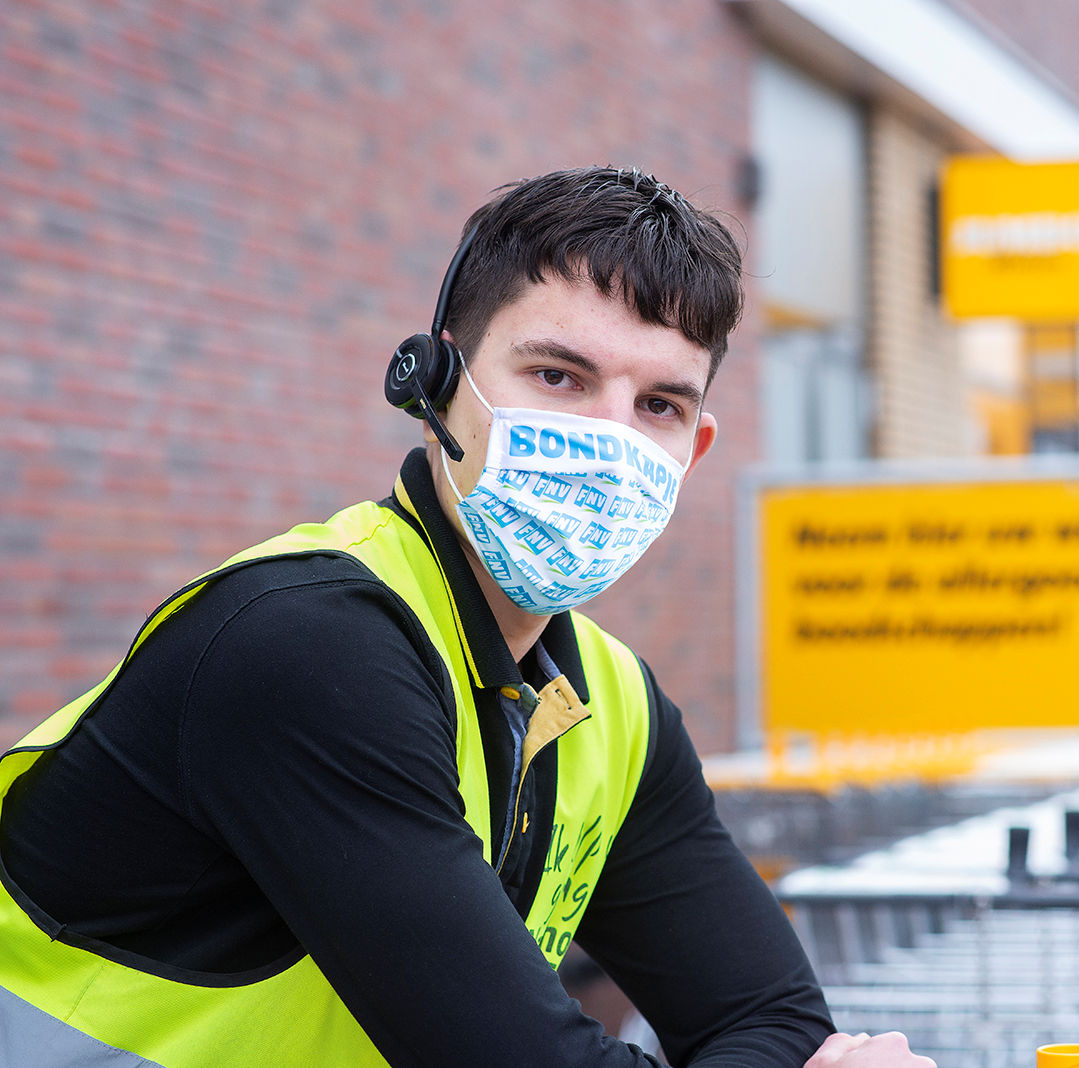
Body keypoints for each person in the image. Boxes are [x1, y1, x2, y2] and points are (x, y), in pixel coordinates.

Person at [0, 168, 935, 1068]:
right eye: (560, 377)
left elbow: (768, 1014)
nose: (608, 442)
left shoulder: (616, 708)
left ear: (694, 453)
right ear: (434, 383)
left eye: (657, 404)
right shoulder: (305, 647)